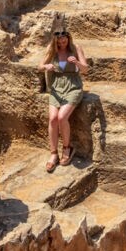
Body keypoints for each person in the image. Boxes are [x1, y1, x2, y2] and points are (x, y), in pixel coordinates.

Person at [38, 24, 88, 172]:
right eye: (59, 40)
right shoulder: (51, 49)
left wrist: (76, 62)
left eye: (63, 39)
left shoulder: (76, 48)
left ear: (68, 37)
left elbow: (85, 69)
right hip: (56, 88)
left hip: (73, 87)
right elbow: (40, 66)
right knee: (53, 118)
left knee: (61, 117)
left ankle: (67, 148)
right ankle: (53, 154)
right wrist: (46, 67)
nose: (61, 42)